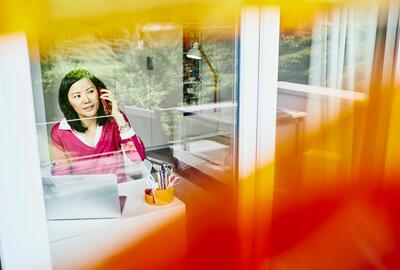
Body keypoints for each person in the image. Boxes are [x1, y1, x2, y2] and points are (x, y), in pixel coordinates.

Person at [50, 69, 145, 182]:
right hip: (84, 196)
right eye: (77, 96)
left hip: (117, 193)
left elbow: (138, 158)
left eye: (90, 91)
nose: (86, 100)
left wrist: (118, 116)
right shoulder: (59, 131)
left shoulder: (115, 120)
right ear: (68, 102)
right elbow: (62, 177)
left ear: (100, 92)